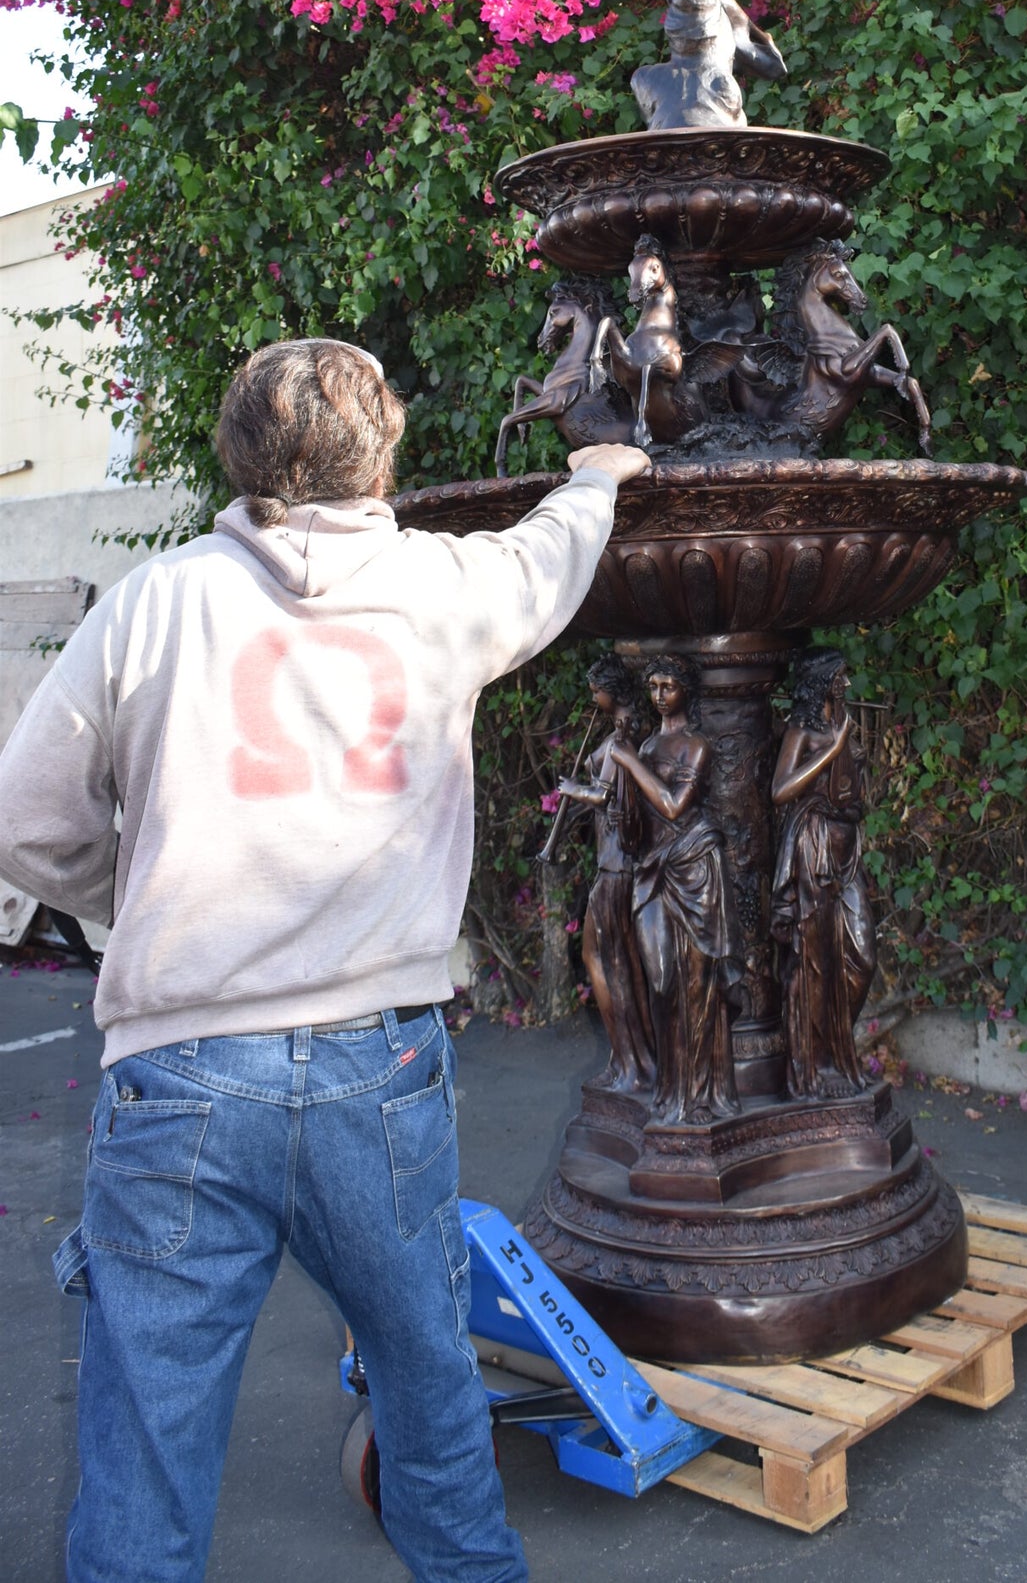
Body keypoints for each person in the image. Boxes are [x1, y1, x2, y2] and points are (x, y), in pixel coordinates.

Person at [0, 336, 650, 1583]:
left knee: (149, 1426)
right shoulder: (444, 586)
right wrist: (598, 479)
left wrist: (129, 900)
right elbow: (549, 559)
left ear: (237, 454)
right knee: (426, 1375)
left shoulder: (153, 600)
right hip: (379, 1066)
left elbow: (30, 820)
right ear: (385, 448)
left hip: (180, 1072)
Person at [608, 654, 743, 1125]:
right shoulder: (646, 744)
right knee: (662, 980)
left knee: (697, 985)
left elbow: (671, 805)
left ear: (687, 690)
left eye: (669, 685)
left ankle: (697, 1094)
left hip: (695, 868)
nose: (660, 695)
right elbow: (635, 813)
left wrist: (628, 761)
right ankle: (670, 1086)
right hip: (653, 870)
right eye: (654, 686)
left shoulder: (696, 747)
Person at [770, 649, 876, 1098]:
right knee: (814, 962)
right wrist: (830, 751)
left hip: (846, 848)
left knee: (861, 959)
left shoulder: (845, 724)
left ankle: (836, 1048)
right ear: (821, 683)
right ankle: (812, 1066)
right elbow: (780, 790)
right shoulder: (804, 732)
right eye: (839, 678)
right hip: (812, 850)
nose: (845, 686)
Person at [556, 654, 656, 1095]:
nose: (592, 697)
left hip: (618, 866)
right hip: (613, 863)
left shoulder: (626, 733)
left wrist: (576, 790)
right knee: (612, 963)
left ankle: (634, 1062)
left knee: (609, 962)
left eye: (596, 689)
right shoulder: (626, 728)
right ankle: (629, 1058)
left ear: (611, 690)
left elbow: (616, 795)